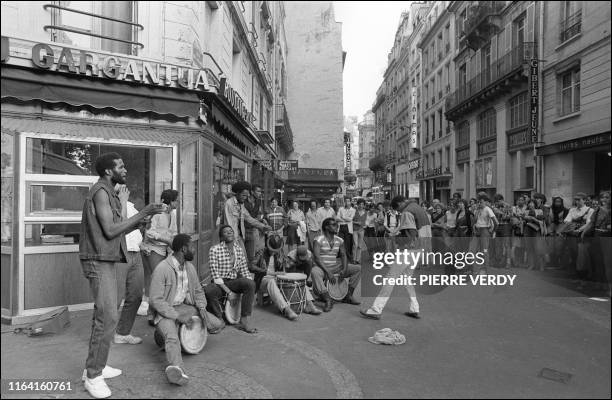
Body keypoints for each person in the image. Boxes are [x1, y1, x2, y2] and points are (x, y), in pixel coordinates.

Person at [79, 152, 164, 399]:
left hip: (106, 259)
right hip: (96, 260)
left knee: (104, 315)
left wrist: (140, 222)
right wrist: (144, 210)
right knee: (108, 315)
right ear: (108, 171)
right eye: (121, 166)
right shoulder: (101, 192)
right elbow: (109, 230)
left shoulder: (110, 193)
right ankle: (93, 375)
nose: (125, 169)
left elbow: (118, 229)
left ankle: (95, 366)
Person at [149, 234, 225, 386]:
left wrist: (202, 307)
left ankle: (169, 335)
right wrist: (177, 316)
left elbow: (197, 291)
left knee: (217, 324)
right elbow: (155, 300)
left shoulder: (189, 267)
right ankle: (177, 369)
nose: (194, 250)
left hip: (183, 308)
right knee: (172, 337)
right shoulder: (162, 268)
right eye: (191, 247)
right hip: (165, 311)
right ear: (184, 249)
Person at [360, 196, 420, 320]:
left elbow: (411, 234)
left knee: (390, 279)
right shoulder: (415, 209)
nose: (398, 211)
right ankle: (414, 308)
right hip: (416, 250)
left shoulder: (407, 212)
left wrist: (395, 238)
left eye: (397, 208)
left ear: (399, 204)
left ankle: (376, 309)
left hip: (407, 250)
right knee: (407, 280)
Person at [205, 225, 258, 333]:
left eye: (231, 231)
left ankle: (244, 320)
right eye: (226, 232)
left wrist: (250, 286)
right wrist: (229, 293)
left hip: (233, 282)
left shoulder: (238, 250)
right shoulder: (214, 250)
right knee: (208, 290)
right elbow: (216, 276)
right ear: (221, 237)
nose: (229, 233)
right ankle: (219, 319)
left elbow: (244, 271)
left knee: (250, 283)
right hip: (220, 284)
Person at [250, 238, 322, 317]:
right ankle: (286, 309)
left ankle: (310, 305)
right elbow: (251, 266)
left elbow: (285, 264)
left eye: (276, 250)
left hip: (277, 277)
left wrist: (288, 265)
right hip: (263, 279)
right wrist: (270, 272)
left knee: (298, 280)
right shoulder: (261, 252)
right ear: (268, 246)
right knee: (271, 282)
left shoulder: (279, 252)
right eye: (272, 250)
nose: (274, 252)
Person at [139, 189, 179, 324]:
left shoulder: (172, 214)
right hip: (153, 249)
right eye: (177, 200)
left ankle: (160, 312)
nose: (178, 202)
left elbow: (173, 232)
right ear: (171, 201)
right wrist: (165, 239)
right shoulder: (157, 213)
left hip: (166, 250)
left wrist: (174, 242)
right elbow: (149, 232)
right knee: (157, 282)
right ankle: (152, 315)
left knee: (164, 281)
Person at [114, 185, 145, 345]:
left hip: (136, 252)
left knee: (136, 295)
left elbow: (134, 230)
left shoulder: (131, 206)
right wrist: (122, 201)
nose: (124, 189)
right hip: (120, 254)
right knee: (114, 298)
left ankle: (122, 333)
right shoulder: (111, 204)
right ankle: (103, 337)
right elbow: (121, 226)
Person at [311, 218, 361, 312]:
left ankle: (348, 296)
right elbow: (317, 258)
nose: (337, 226)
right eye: (333, 225)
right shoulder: (318, 240)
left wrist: (344, 269)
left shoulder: (340, 240)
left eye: (337, 225)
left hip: (335, 266)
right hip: (322, 268)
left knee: (357, 268)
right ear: (326, 227)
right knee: (314, 272)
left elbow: (343, 255)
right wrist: (328, 272)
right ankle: (327, 299)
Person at [225, 181, 271, 256]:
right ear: (237, 193)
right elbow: (229, 225)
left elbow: (249, 219)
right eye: (243, 195)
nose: (245, 198)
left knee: (245, 260)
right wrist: (234, 242)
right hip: (231, 239)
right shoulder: (229, 204)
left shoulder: (241, 205)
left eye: (246, 196)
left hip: (239, 236)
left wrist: (263, 226)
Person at [469, 192, 498, 274]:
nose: (479, 203)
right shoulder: (477, 210)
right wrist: (476, 214)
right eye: (478, 201)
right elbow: (474, 222)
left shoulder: (488, 209)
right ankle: (476, 270)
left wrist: (493, 232)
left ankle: (486, 270)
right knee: (472, 251)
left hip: (485, 230)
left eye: (481, 202)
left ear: (485, 202)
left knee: (484, 251)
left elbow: (496, 222)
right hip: (477, 230)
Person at [244, 184, 266, 262]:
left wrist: (262, 220)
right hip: (242, 229)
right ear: (252, 192)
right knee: (243, 254)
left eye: (261, 191)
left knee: (255, 251)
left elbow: (259, 215)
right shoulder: (244, 201)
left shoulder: (258, 202)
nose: (260, 193)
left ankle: (251, 268)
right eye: (258, 191)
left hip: (253, 228)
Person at [352, 199, 367, 264]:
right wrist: (356, 222)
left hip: (361, 230)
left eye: (362, 204)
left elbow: (367, 221)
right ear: (357, 205)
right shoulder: (354, 211)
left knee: (360, 246)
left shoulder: (366, 213)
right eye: (360, 204)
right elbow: (350, 221)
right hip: (355, 230)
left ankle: (358, 259)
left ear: (364, 205)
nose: (361, 205)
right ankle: (353, 259)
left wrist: (366, 225)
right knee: (355, 244)